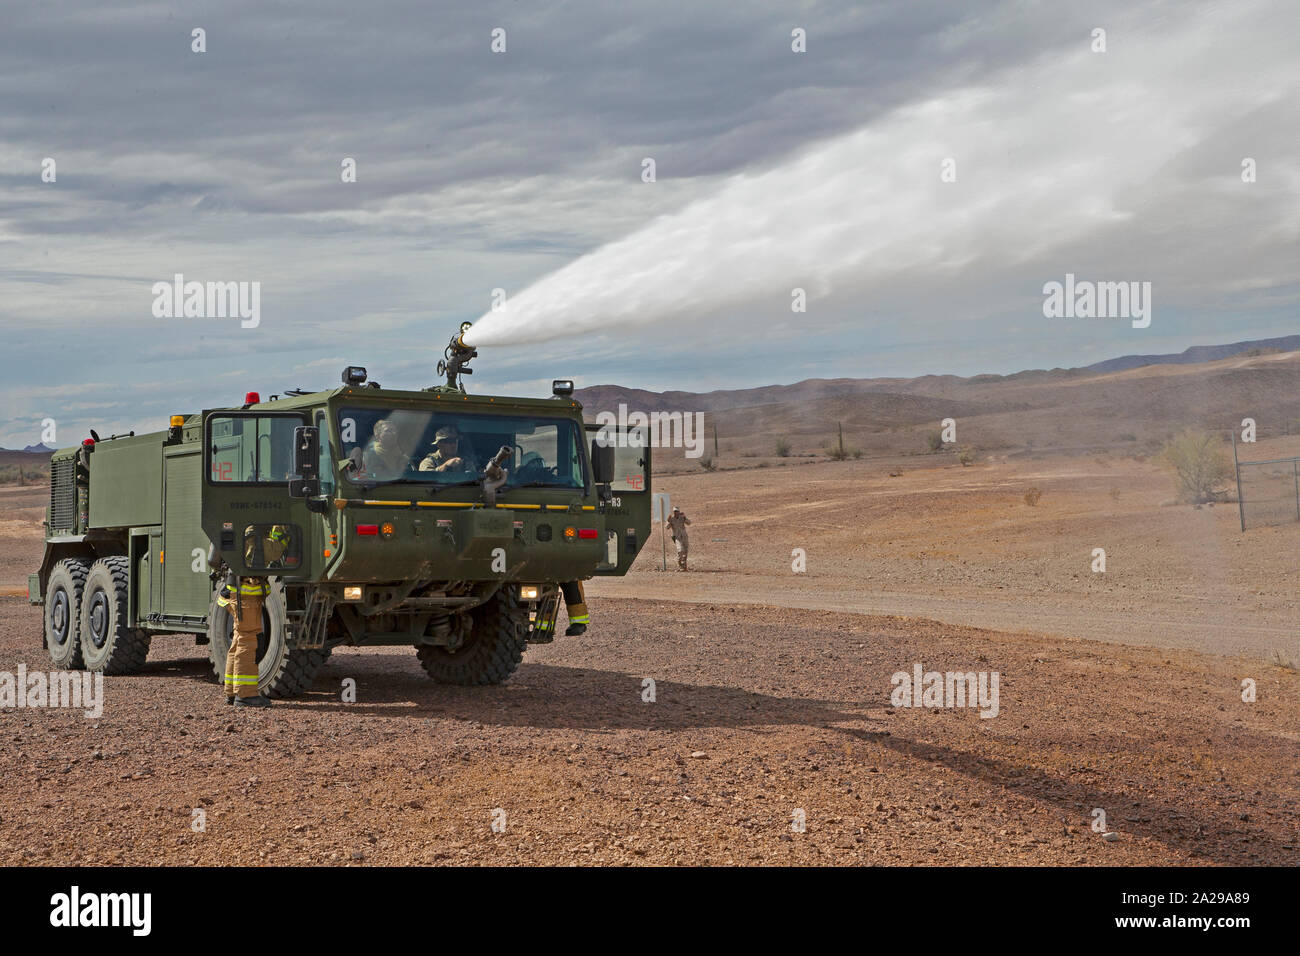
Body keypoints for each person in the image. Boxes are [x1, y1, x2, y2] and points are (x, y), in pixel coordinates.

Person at [218, 524, 289, 708]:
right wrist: (282, 532)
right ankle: (246, 695)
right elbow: (274, 551)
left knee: (238, 642)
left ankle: (232, 691)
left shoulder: (245, 533)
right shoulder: (252, 536)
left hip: (241, 595)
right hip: (246, 597)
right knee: (247, 643)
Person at [666, 506, 691, 571]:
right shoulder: (671, 519)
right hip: (677, 537)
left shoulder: (682, 517)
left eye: (677, 511)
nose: (676, 513)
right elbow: (667, 527)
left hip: (684, 536)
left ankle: (684, 567)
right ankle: (680, 565)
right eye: (674, 511)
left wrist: (685, 518)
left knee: (685, 551)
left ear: (679, 512)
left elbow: (689, 523)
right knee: (680, 551)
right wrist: (668, 521)